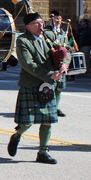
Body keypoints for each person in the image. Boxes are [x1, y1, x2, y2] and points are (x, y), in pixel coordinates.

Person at [7, 12, 68, 164]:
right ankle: (17, 135)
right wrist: (49, 74)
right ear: (28, 27)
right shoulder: (23, 41)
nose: (41, 25)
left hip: (48, 85)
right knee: (28, 121)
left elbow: (65, 51)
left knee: (48, 120)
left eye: (41, 22)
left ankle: (43, 152)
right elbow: (28, 65)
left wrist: (64, 63)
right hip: (32, 84)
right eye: (36, 23)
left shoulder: (48, 37)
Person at [44, 10, 72, 117]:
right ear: (51, 19)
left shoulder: (63, 32)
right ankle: (48, 107)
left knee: (59, 87)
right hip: (51, 63)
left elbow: (66, 48)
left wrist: (65, 63)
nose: (58, 21)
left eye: (60, 19)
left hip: (61, 64)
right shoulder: (46, 32)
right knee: (50, 86)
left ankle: (55, 108)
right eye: (56, 18)